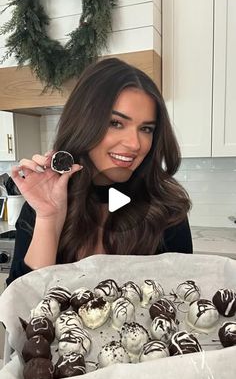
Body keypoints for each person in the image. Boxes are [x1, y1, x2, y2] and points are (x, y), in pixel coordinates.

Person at [6, 57, 192, 286]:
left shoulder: (166, 211)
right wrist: (49, 218)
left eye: (146, 129)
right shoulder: (40, 207)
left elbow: (181, 305)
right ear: (84, 123)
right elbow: (24, 308)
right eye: (116, 123)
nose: (135, 144)